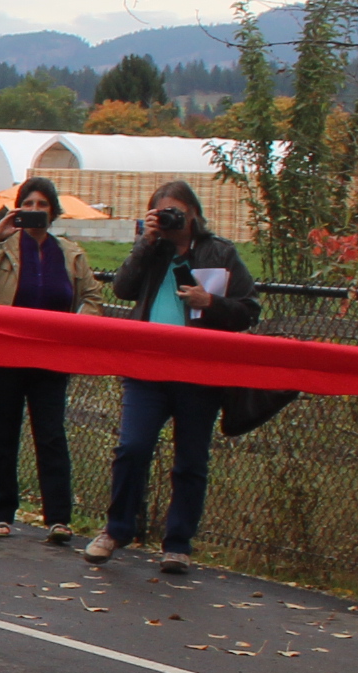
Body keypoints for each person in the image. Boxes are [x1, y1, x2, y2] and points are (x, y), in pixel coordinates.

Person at [86, 180, 261, 574]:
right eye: (160, 212)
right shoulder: (152, 250)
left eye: (175, 212)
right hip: (147, 367)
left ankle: (178, 544)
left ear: (193, 214)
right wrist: (144, 243)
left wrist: (209, 302)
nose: (168, 219)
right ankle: (116, 530)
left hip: (198, 372)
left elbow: (249, 310)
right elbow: (123, 289)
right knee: (132, 447)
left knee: (190, 458)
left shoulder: (221, 253)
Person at [0, 176, 99, 542]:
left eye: (42, 205)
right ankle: (0, 513)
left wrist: (79, 328)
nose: (35, 212)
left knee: (51, 436)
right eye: (29, 205)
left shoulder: (70, 253)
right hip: (3, 356)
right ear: (19, 209)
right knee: (1, 435)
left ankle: (58, 517)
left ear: (53, 211)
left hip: (50, 359)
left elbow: (93, 297)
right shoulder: (3, 249)